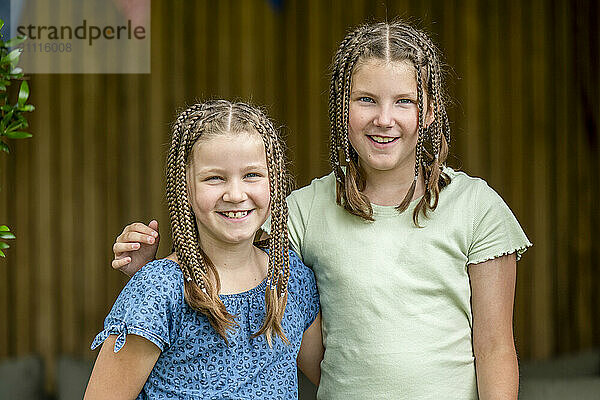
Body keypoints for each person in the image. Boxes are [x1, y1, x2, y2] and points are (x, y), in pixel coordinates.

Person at [112, 21, 531, 399]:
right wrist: (155, 271)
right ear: (342, 107)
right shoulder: (303, 210)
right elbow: (229, 257)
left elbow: (495, 347)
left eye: (405, 101)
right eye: (366, 99)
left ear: (431, 109)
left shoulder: (477, 207)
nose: (384, 118)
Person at [85, 100, 323, 400]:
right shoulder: (159, 289)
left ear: (274, 181)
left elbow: (336, 379)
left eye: (252, 175)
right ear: (186, 187)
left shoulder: (290, 278)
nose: (236, 194)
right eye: (214, 178)